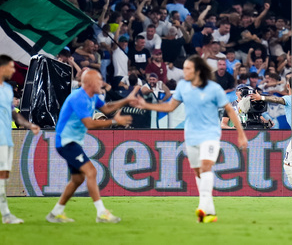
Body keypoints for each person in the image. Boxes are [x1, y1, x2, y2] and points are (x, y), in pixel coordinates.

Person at [134, 55, 247, 223]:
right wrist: (147, 105)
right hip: (191, 135)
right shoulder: (182, 87)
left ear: (197, 71)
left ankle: (202, 206)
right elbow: (170, 107)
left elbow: (230, 110)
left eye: (188, 69)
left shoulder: (213, 88)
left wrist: (241, 134)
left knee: (206, 166)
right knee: (198, 172)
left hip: (210, 134)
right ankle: (210, 212)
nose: (184, 71)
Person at [46, 70, 136, 224]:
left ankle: (55, 213)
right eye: (99, 79)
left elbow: (107, 109)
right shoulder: (78, 98)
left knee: (77, 179)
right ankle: (101, 213)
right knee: (91, 171)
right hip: (66, 142)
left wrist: (126, 100)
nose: (102, 82)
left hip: (73, 141)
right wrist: (115, 122)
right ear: (89, 83)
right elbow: (90, 124)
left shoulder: (92, 97)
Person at [0, 55, 40, 224]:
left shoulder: (8, 90)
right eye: (10, 67)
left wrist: (29, 125)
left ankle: (6, 214)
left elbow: (14, 114)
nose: (13, 70)